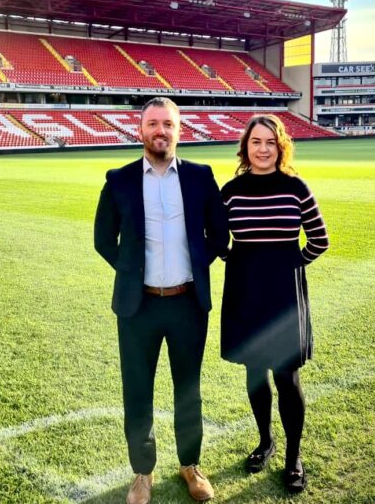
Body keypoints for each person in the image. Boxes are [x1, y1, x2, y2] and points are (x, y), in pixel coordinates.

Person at [94, 97, 228, 504]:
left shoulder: (201, 177)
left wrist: (194, 265)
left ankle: (190, 465)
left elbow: (218, 235)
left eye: (167, 124)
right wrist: (133, 272)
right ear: (140, 130)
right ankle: (142, 474)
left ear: (179, 130)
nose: (160, 131)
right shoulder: (118, 179)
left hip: (188, 303)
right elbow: (103, 240)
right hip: (139, 307)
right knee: (138, 390)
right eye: (152, 123)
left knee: (188, 389)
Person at [219, 114, 329, 493]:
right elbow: (216, 237)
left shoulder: (295, 187)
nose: (263, 149)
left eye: (270, 142)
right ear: (245, 148)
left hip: (283, 294)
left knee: (286, 376)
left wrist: (292, 263)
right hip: (246, 292)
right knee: (255, 373)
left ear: (280, 147)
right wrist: (235, 259)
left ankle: (293, 456)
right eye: (256, 142)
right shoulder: (231, 191)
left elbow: (319, 239)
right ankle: (265, 442)